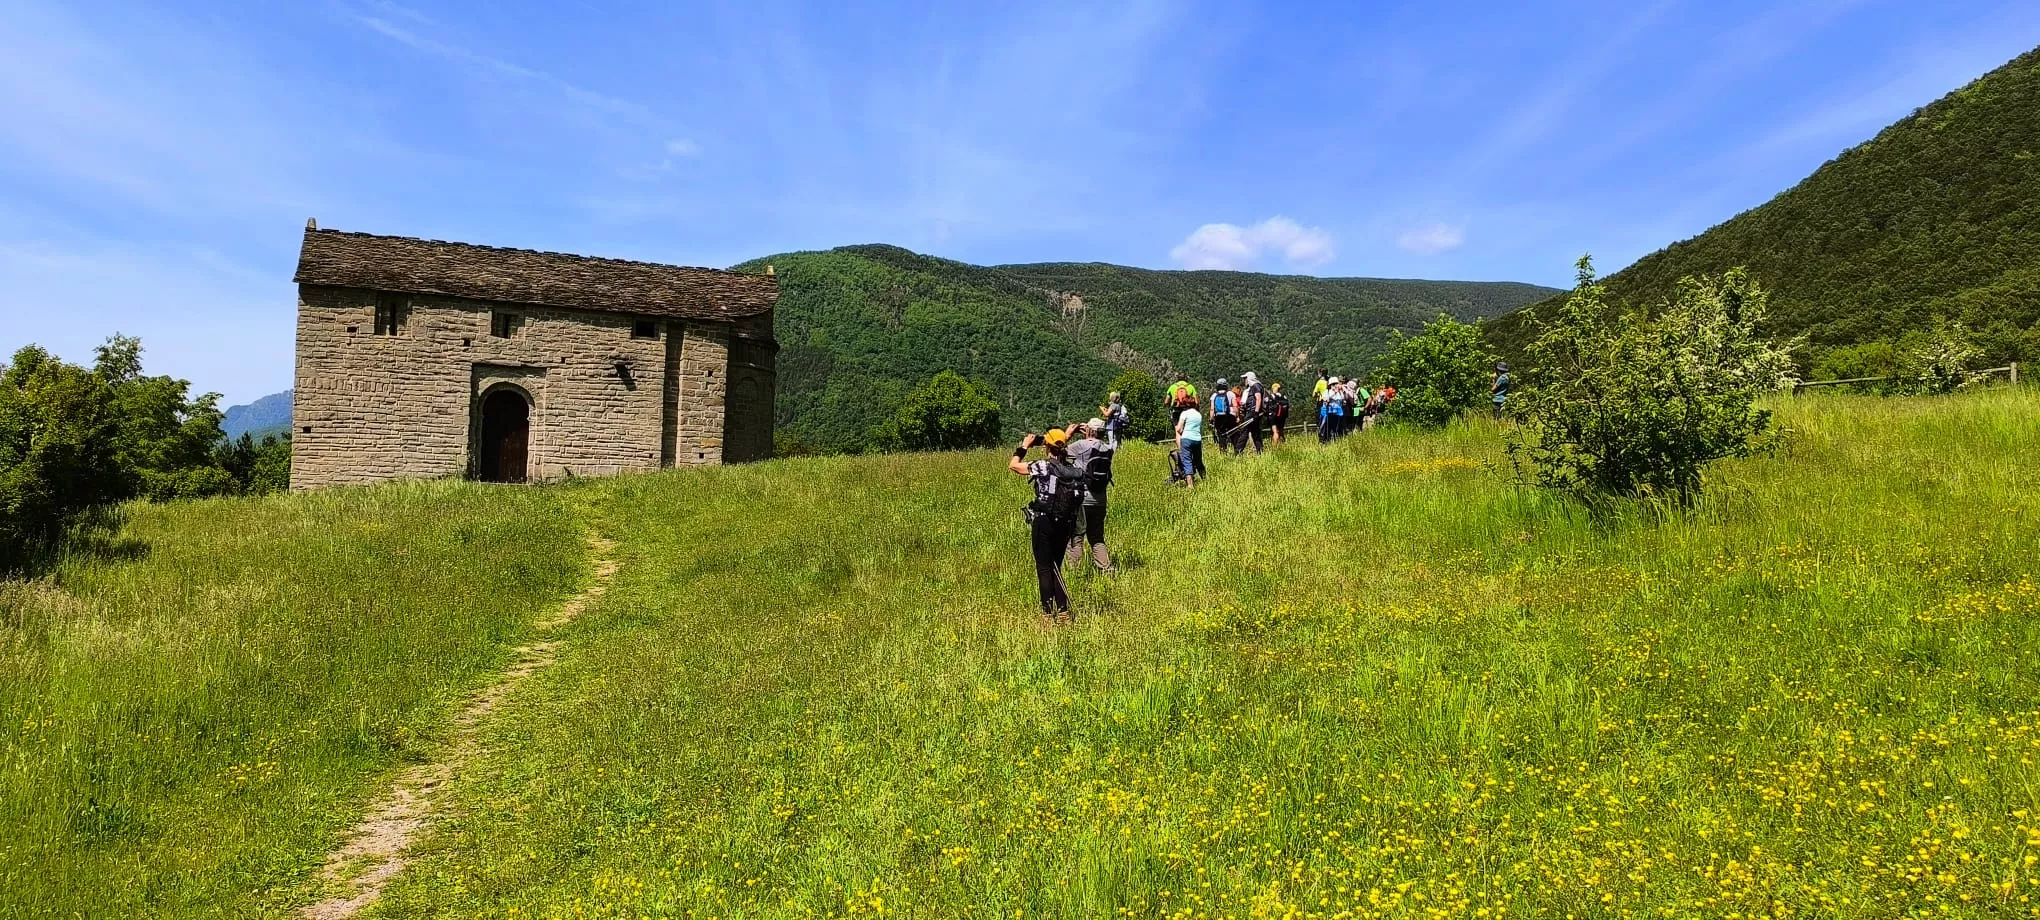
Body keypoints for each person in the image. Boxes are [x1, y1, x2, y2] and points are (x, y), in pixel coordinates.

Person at [1007, 428, 1085, 624]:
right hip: (1065, 523)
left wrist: (1024, 446)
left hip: (1044, 521)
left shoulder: (1043, 466)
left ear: (1047, 446)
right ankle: (1064, 613)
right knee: (1056, 568)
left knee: (1044, 568)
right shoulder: (1070, 469)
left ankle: (1047, 614)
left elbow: (1013, 466)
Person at [1064, 418, 1116, 574]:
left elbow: (1057, 451)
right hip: (1099, 500)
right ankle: (1106, 569)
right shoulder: (1108, 449)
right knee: (1097, 538)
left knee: (1076, 537)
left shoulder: (1079, 446)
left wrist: (1069, 434)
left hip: (1080, 499)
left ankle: (1075, 573)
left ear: (1088, 430)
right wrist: (1090, 432)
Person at [1236, 372, 1269, 454]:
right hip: (1254, 412)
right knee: (1255, 432)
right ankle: (1260, 451)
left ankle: (1238, 452)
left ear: (1249, 378)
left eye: (1245, 378)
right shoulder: (1258, 385)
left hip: (1252, 412)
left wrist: (1256, 412)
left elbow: (1258, 398)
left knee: (1244, 431)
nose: (1245, 380)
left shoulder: (1255, 386)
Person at [1175, 400, 1205, 486]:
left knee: (1187, 461)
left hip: (1186, 439)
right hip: (1197, 439)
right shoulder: (1198, 414)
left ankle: (1190, 485)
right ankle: (1204, 479)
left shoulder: (1184, 413)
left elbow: (1179, 429)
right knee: (1198, 460)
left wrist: (1182, 432)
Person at [1209, 378, 1238, 455]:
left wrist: (1211, 419)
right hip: (1230, 416)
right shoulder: (1231, 394)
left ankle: (1223, 453)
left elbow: (1212, 409)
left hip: (1218, 417)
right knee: (1234, 434)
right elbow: (1235, 406)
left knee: (1221, 435)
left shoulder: (1214, 395)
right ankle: (1237, 451)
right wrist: (1237, 417)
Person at [1318, 376, 1343, 443]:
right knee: (1325, 428)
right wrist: (1334, 393)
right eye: (1333, 384)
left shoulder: (1339, 393)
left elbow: (1342, 400)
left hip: (1337, 412)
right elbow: (1326, 399)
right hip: (1327, 413)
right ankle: (1324, 441)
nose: (1335, 386)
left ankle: (1335, 440)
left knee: (1336, 428)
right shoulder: (1327, 391)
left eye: (1336, 384)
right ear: (1330, 385)